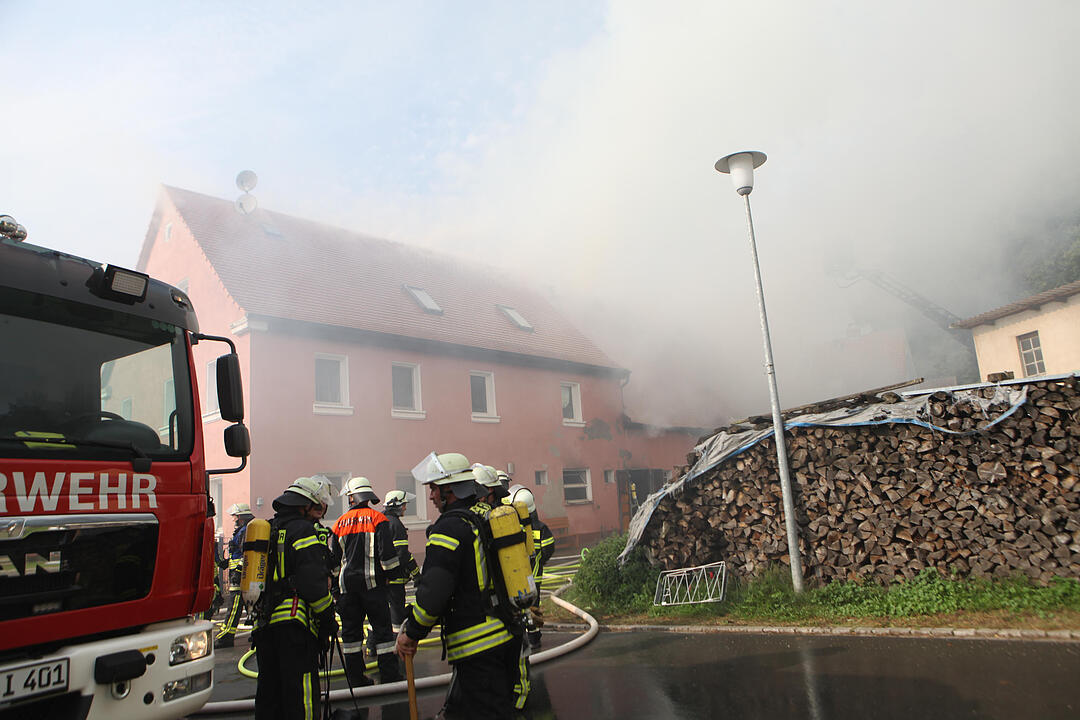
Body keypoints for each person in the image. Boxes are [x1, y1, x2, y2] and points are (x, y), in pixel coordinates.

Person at [395, 452, 521, 719]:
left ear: (448, 489)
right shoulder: (485, 516)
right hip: (505, 632)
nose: (431, 496)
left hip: (478, 645)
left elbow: (434, 591)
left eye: (433, 488)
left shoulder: (449, 528)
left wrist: (412, 633)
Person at [252, 476, 338, 720]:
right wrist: (327, 618)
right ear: (305, 505)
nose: (318, 513)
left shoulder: (269, 528)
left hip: (264, 624)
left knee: (270, 690)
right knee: (302, 691)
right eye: (316, 507)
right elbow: (312, 584)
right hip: (294, 626)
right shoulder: (302, 530)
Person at [329, 476, 403, 686]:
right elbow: (387, 557)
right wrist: (392, 578)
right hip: (374, 588)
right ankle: (389, 675)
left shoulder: (338, 524)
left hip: (347, 590)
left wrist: (335, 587)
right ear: (368, 496)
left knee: (351, 636)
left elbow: (334, 562)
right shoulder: (378, 520)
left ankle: (355, 678)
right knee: (382, 631)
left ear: (352, 498)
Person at [507, 484, 554, 650]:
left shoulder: (517, 527)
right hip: (535, 576)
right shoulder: (541, 528)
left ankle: (531, 636)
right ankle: (534, 637)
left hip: (520, 576)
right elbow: (549, 548)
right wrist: (540, 562)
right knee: (534, 605)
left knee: (523, 607)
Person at [215, 502, 255, 649]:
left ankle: (226, 636)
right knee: (252, 607)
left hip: (241, 576)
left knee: (234, 606)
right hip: (241, 575)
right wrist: (226, 562)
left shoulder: (246, 531)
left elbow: (246, 554)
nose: (234, 520)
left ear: (242, 518)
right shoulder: (244, 530)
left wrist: (238, 571)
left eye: (235, 517)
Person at [382, 489, 420, 627]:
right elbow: (402, 554)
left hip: (381, 580)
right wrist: (416, 574)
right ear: (396, 505)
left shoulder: (380, 520)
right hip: (395, 580)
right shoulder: (396, 525)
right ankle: (396, 646)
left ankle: (372, 646)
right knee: (397, 618)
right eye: (403, 504)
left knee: (381, 615)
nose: (405, 507)